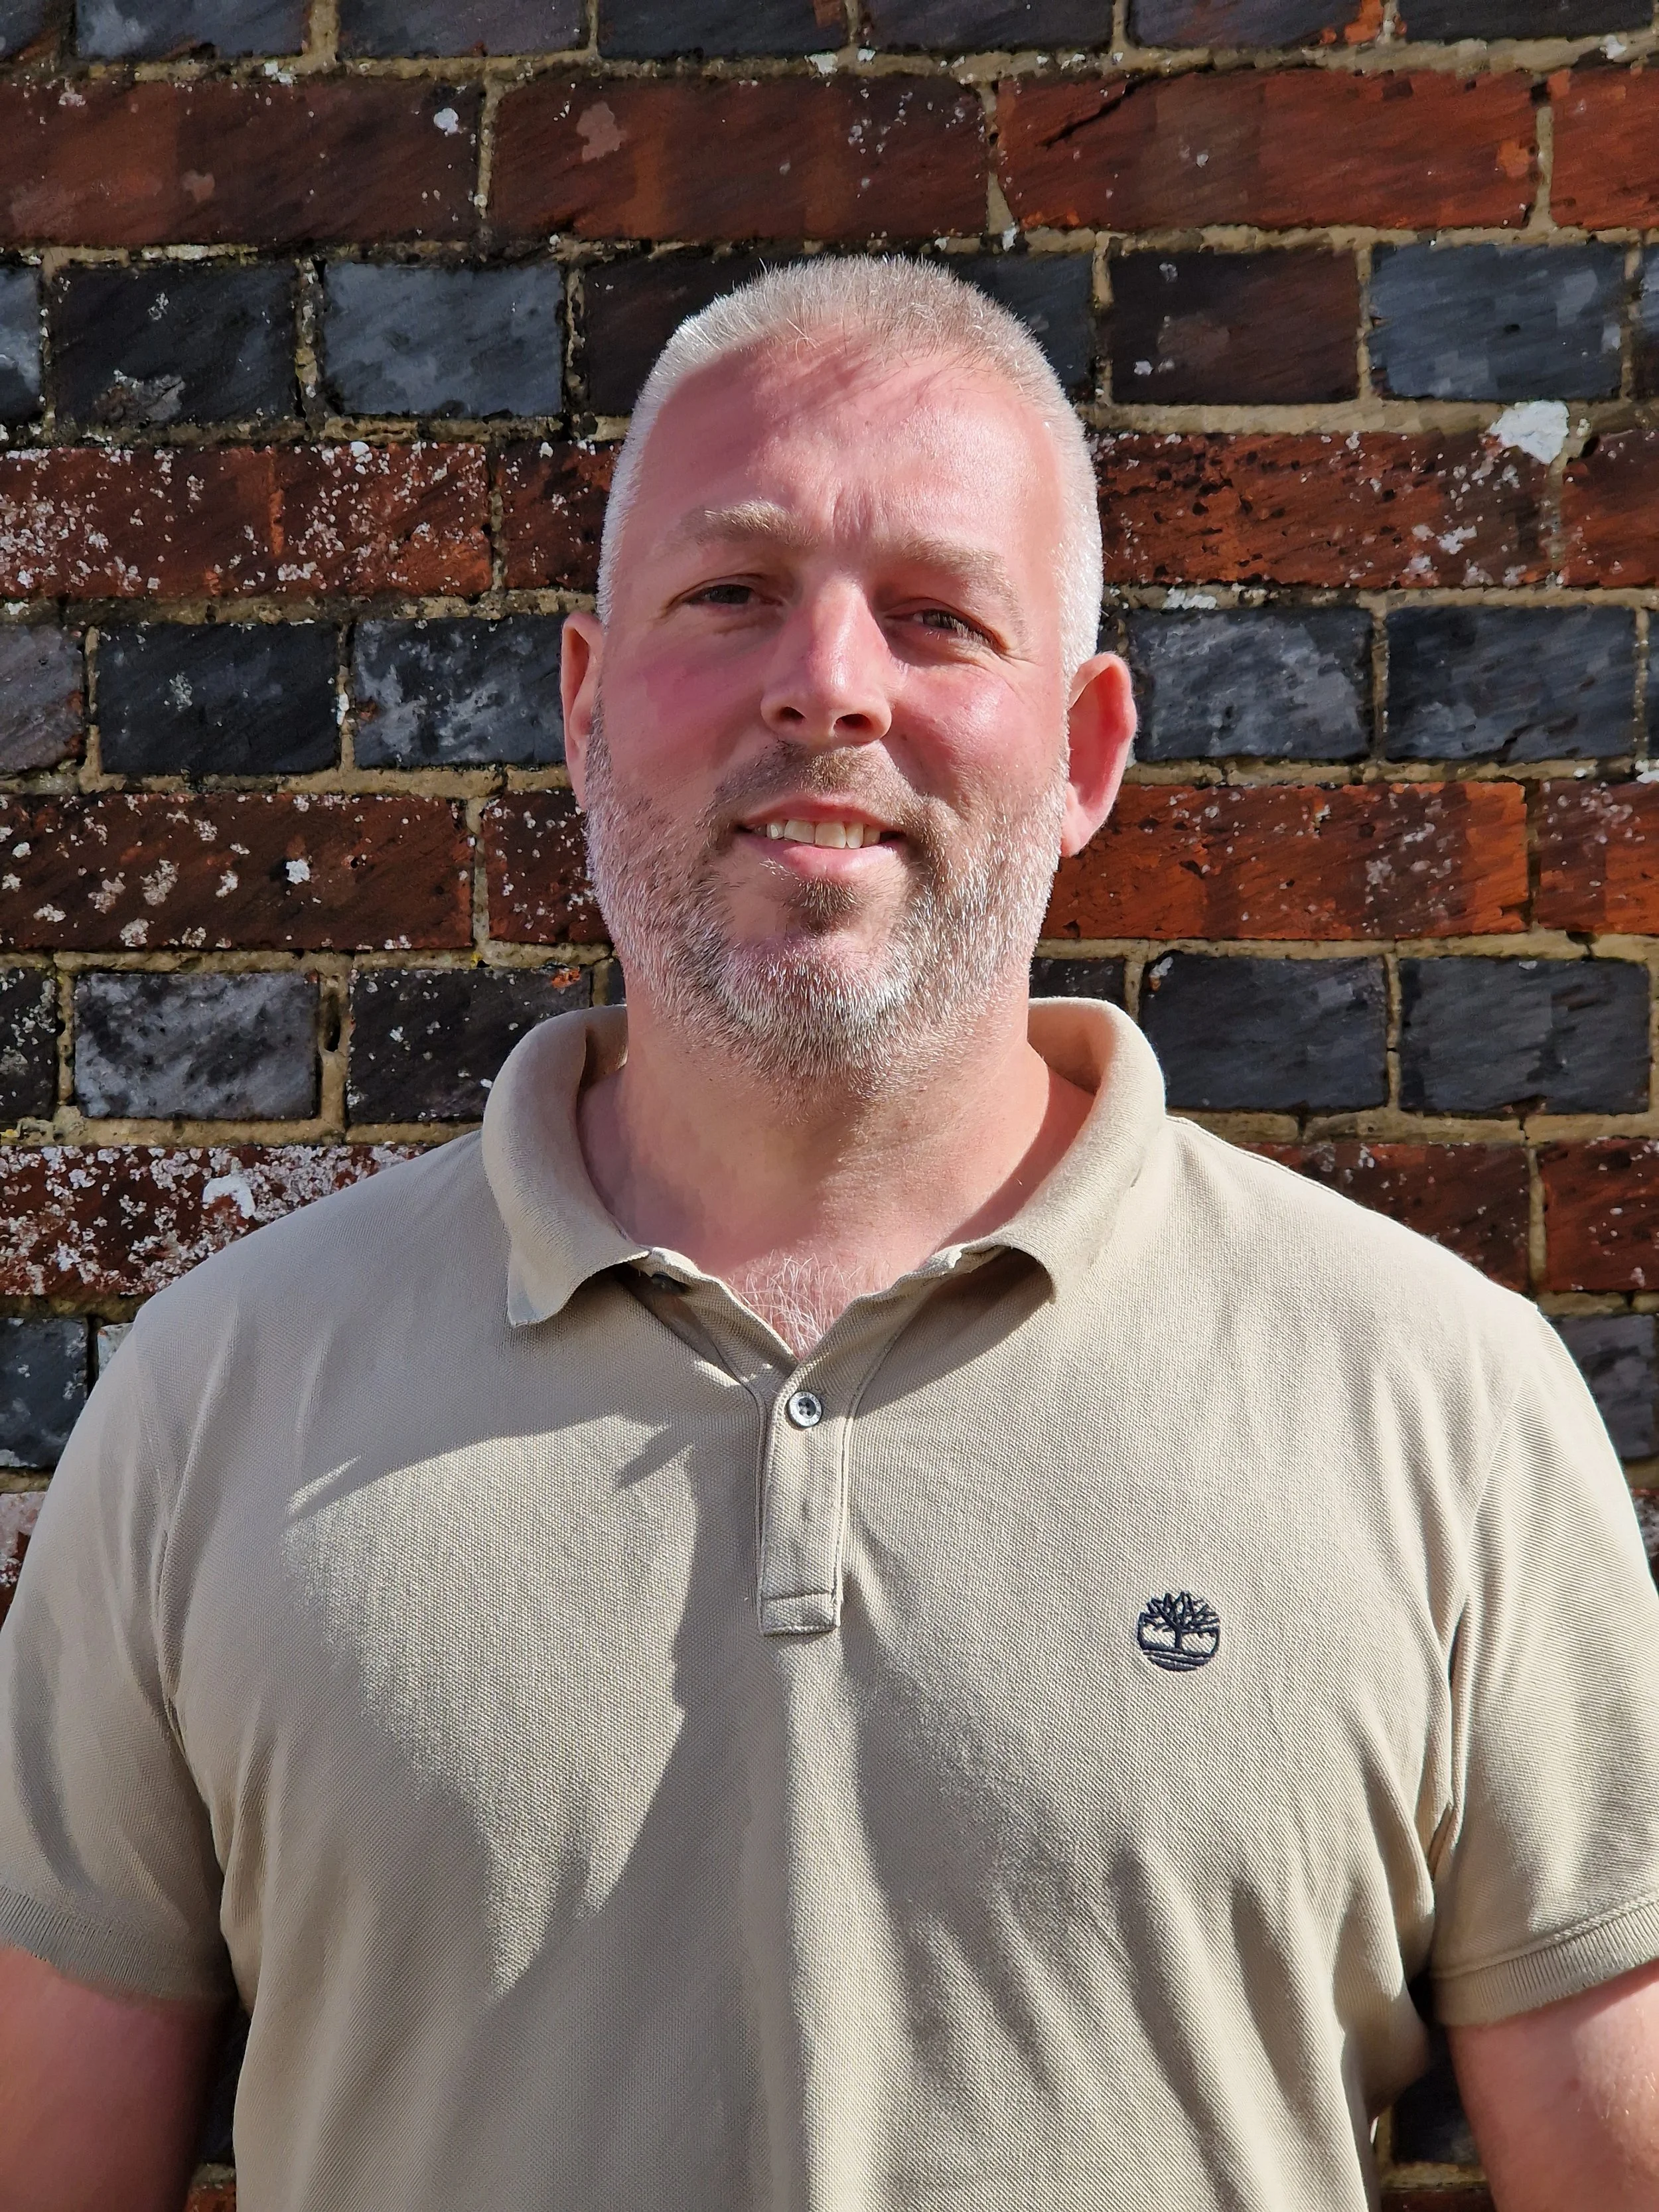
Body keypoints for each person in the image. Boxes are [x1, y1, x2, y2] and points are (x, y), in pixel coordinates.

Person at [2, 256, 1658, 2212]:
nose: (829, 683)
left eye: (939, 616)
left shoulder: (1430, 1398)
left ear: (1084, 753)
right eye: (732, 592)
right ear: (588, 704)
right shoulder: (221, 1395)